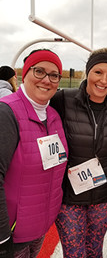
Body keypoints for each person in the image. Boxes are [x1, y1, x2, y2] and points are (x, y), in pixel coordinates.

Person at [50, 47, 107, 257]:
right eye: (98, 72)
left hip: (104, 195)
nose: (103, 80)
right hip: (69, 197)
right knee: (74, 253)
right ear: (88, 72)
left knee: (94, 250)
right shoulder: (63, 99)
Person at [0, 49, 68, 258]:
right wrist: (2, 238)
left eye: (54, 75)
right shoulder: (6, 113)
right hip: (12, 235)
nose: (46, 80)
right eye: (39, 71)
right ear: (24, 74)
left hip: (39, 228)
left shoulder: (54, 115)